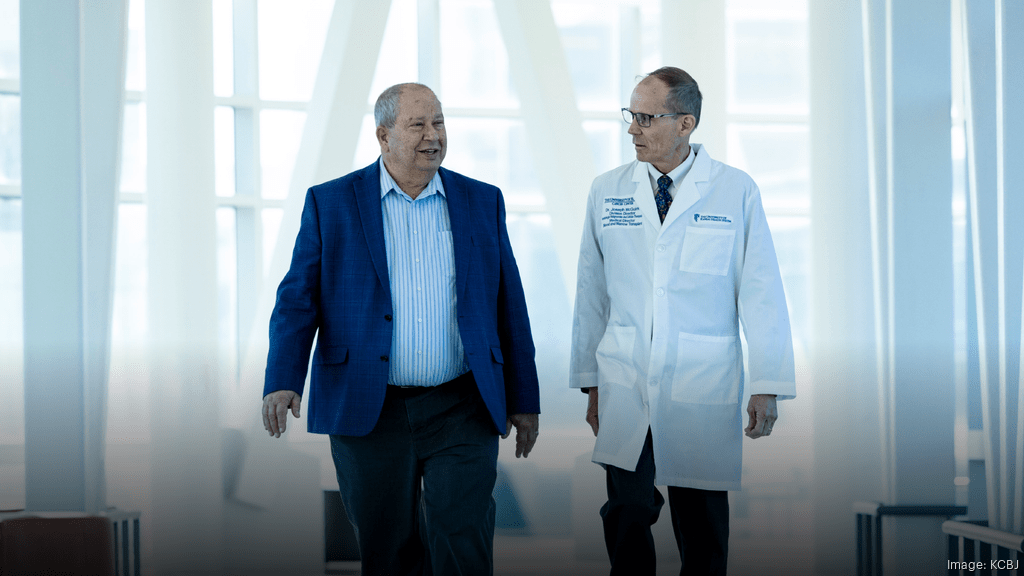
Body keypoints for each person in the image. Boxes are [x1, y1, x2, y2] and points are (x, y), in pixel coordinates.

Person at [261, 82, 541, 576]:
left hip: (461, 403)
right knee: (387, 547)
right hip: (370, 406)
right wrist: (284, 379)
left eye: (439, 123)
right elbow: (297, 302)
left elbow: (508, 306)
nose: (433, 136)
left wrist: (524, 399)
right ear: (383, 135)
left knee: (464, 534)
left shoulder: (481, 201)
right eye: (418, 125)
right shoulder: (331, 204)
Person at [570, 66, 796, 575]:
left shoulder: (735, 191)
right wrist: (590, 383)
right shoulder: (608, 191)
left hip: (702, 377)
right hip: (625, 375)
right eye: (631, 116)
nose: (633, 129)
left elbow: (761, 291)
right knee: (627, 510)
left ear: (686, 124)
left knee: (703, 526)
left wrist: (768, 384)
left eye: (646, 118)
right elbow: (591, 291)